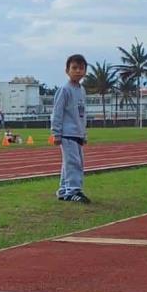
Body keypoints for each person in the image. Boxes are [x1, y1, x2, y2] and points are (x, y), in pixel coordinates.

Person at [50, 54, 90, 203]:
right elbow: (57, 112)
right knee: (73, 163)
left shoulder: (81, 90)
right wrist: (56, 133)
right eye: (74, 68)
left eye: (81, 68)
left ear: (85, 71)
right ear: (67, 70)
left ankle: (63, 190)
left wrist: (83, 133)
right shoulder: (64, 90)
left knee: (70, 162)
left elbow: (82, 114)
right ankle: (74, 191)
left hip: (77, 133)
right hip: (67, 134)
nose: (78, 71)